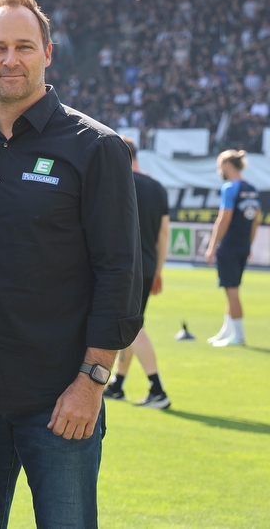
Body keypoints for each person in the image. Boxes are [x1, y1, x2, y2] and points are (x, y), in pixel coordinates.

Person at [0, 0, 142, 528]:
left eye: (24, 46)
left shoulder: (96, 148)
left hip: (60, 399)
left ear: (47, 53)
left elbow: (120, 272)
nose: (10, 59)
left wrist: (92, 380)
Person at [103, 137, 171, 408]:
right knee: (128, 323)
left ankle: (157, 388)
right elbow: (164, 234)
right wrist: (158, 269)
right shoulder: (157, 187)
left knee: (132, 326)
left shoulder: (117, 182)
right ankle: (118, 384)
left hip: (121, 267)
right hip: (148, 266)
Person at [204, 149, 261, 347]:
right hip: (243, 246)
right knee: (232, 289)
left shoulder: (230, 188)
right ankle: (226, 331)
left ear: (228, 165)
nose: (219, 170)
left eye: (220, 165)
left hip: (228, 247)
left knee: (231, 291)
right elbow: (256, 222)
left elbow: (224, 218)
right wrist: (249, 245)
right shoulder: (252, 189)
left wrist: (212, 247)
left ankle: (239, 336)